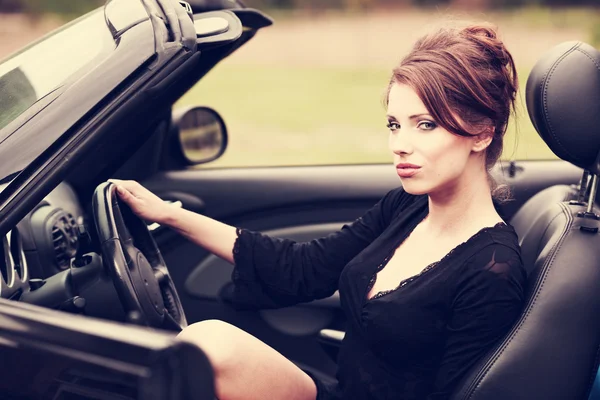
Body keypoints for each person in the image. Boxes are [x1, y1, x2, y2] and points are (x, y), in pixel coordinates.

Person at [111, 21, 526, 400]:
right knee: (204, 347)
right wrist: (168, 214)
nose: (399, 144)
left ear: (481, 134)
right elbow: (304, 267)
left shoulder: (493, 271)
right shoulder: (408, 206)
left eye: (425, 124)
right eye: (394, 124)